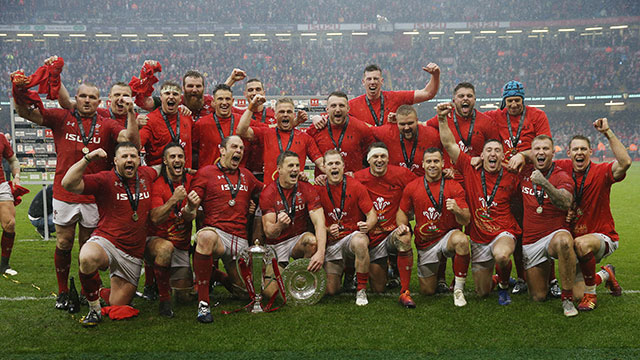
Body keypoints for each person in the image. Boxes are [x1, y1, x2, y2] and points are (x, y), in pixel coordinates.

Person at [13, 75, 139, 311]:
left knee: (87, 246)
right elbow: (26, 113)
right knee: (63, 241)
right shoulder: (62, 117)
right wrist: (17, 91)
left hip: (93, 195)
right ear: (76, 98)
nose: (87, 101)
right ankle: (62, 292)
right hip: (65, 192)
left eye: (92, 97)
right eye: (83, 96)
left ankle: (86, 292)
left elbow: (128, 139)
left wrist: (131, 113)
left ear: (99, 101)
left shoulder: (106, 123)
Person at [61, 142, 157, 327]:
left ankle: (89, 291)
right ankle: (94, 309)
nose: (129, 160)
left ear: (139, 160)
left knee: (118, 303)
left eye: (133, 156)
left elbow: (163, 168)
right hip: (108, 242)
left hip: (133, 253)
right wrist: (88, 158)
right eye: (124, 156)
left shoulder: (147, 174)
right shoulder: (104, 179)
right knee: (88, 257)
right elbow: (67, 183)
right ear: (115, 161)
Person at [437, 102, 521, 306]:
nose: (493, 154)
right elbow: (450, 145)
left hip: (503, 231)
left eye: (497, 151)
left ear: (503, 156)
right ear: (481, 155)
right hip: (478, 236)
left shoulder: (512, 175)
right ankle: (498, 278)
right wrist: (441, 119)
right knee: (482, 292)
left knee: (501, 256)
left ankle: (503, 287)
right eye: (489, 150)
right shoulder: (469, 167)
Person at [425, 82, 498, 291]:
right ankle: (440, 277)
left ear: (474, 99)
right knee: (446, 228)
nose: (465, 99)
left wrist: (481, 159)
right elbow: (428, 137)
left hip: (477, 184)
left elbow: (495, 151)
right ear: (453, 99)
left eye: (469, 96)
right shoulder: (440, 120)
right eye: (461, 96)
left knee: (477, 227)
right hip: (449, 183)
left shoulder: (486, 122)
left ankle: (483, 272)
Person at [485, 80, 553, 296]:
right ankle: (520, 278)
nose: (513, 105)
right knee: (515, 232)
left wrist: (522, 155)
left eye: (517, 100)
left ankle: (551, 279)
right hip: (505, 185)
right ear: (504, 100)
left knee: (540, 231)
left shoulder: (537, 116)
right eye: (510, 101)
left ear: (524, 99)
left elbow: (545, 149)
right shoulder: (495, 116)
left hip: (532, 182)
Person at [557, 118, 631, 311]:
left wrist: (607, 132)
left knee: (582, 243)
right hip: (576, 242)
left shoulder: (601, 170)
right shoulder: (563, 168)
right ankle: (606, 274)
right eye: (575, 149)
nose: (579, 153)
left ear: (590, 152)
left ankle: (592, 295)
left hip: (602, 237)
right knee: (574, 293)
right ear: (569, 153)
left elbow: (625, 162)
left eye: (583, 149)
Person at [190, 135, 263, 323]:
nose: (238, 151)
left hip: (239, 239)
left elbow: (267, 192)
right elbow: (193, 205)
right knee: (205, 237)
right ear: (222, 150)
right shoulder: (206, 173)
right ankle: (204, 304)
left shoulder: (247, 176)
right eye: (234, 147)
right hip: (218, 234)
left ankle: (218, 276)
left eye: (241, 148)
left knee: (246, 294)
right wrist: (191, 205)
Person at [396, 148, 471, 307]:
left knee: (462, 241)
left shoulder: (454, 186)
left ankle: (458, 290)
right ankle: (439, 274)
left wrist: (457, 209)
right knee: (428, 291)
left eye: (436, 161)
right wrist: (403, 227)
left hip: (447, 237)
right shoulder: (413, 186)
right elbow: (402, 211)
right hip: (426, 243)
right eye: (429, 161)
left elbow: (466, 220)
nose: (432, 165)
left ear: (443, 164)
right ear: (422, 164)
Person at [519, 135, 578, 317]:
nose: (541, 152)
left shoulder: (561, 175)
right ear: (532, 153)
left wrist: (544, 184)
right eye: (537, 149)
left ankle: (567, 299)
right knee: (538, 296)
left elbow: (565, 202)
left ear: (553, 152)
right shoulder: (523, 171)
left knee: (564, 242)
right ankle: (551, 280)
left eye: (546, 149)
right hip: (532, 240)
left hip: (554, 235)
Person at [353, 142, 417, 306]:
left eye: (383, 156)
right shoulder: (358, 178)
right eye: (375, 156)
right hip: (372, 237)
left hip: (392, 233)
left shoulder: (402, 173)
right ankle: (388, 268)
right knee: (379, 289)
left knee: (404, 236)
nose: (379, 160)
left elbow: (420, 187)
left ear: (388, 159)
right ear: (368, 160)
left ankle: (405, 291)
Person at [259, 151, 326, 297]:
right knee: (271, 293)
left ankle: (302, 275)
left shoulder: (307, 189)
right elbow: (269, 232)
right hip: (276, 245)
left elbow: (319, 224)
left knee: (312, 241)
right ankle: (285, 272)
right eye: (290, 166)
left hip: (297, 239)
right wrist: (279, 225)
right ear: (279, 169)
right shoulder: (268, 193)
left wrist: (320, 252)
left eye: (297, 165)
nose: (295, 169)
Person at [316, 150, 377, 305]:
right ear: (324, 167)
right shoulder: (317, 189)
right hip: (332, 242)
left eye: (337, 163)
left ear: (343, 166)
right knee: (331, 290)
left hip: (351, 237)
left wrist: (367, 225)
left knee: (361, 241)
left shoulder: (356, 186)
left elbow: (372, 215)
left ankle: (361, 290)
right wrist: (328, 229)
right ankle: (348, 273)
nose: (334, 167)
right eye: (330, 164)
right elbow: (314, 222)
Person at [147, 143, 200, 317]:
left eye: (180, 157)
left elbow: (189, 216)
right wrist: (172, 200)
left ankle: (217, 278)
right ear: (165, 161)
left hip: (181, 246)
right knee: (165, 249)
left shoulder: (192, 181)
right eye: (172, 157)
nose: (177, 160)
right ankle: (164, 300)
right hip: (157, 241)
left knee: (184, 296)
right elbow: (155, 218)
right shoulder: (157, 184)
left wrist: (191, 208)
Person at [236, 97, 324, 184]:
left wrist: (330, 174)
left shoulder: (305, 138)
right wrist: (251, 108)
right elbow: (241, 131)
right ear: (275, 115)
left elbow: (321, 163)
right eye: (281, 112)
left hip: (296, 193)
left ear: (294, 115)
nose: (285, 114)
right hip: (271, 193)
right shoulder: (266, 133)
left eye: (289, 112)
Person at [306, 92, 374, 176]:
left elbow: (371, 154)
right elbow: (305, 145)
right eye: (333, 106)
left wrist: (359, 174)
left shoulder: (361, 128)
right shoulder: (316, 128)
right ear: (327, 109)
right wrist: (318, 161)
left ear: (348, 108)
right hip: (324, 185)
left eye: (341, 105)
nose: (337, 109)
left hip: (352, 185)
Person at [348, 63, 440, 126]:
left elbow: (428, 93)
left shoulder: (394, 98)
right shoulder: (352, 105)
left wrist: (435, 75)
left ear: (382, 81)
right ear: (363, 82)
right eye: (369, 79)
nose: (372, 82)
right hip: (366, 152)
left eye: (376, 79)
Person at [140, 81, 193, 168]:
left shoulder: (187, 116)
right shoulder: (150, 120)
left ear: (180, 99)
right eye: (167, 93)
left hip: (184, 174)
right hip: (160, 176)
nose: (171, 97)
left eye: (175, 94)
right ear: (161, 97)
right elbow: (136, 146)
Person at [0, 132, 22, 275]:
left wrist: (17, 176)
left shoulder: (1, 137)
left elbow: (13, 160)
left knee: (10, 223)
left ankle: (4, 265)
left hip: (0, 184)